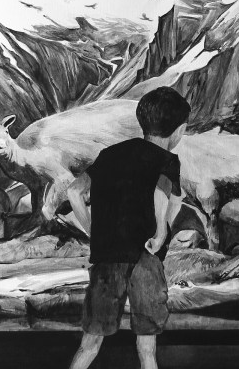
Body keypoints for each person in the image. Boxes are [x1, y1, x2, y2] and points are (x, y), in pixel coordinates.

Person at [67, 87, 190, 369]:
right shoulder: (168, 160)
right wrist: (160, 233)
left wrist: (92, 230)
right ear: (179, 130)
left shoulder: (109, 154)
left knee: (89, 344)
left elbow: (74, 192)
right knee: (147, 349)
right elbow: (161, 191)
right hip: (145, 260)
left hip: (107, 260)